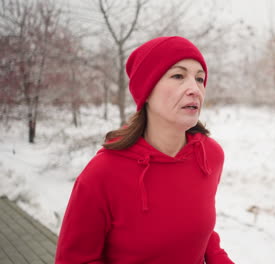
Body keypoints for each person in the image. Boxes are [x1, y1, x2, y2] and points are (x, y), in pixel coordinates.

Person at [55, 36, 235, 264]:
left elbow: (201, 235)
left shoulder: (210, 156)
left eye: (200, 79)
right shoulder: (102, 173)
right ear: (146, 90)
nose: (195, 89)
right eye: (178, 76)